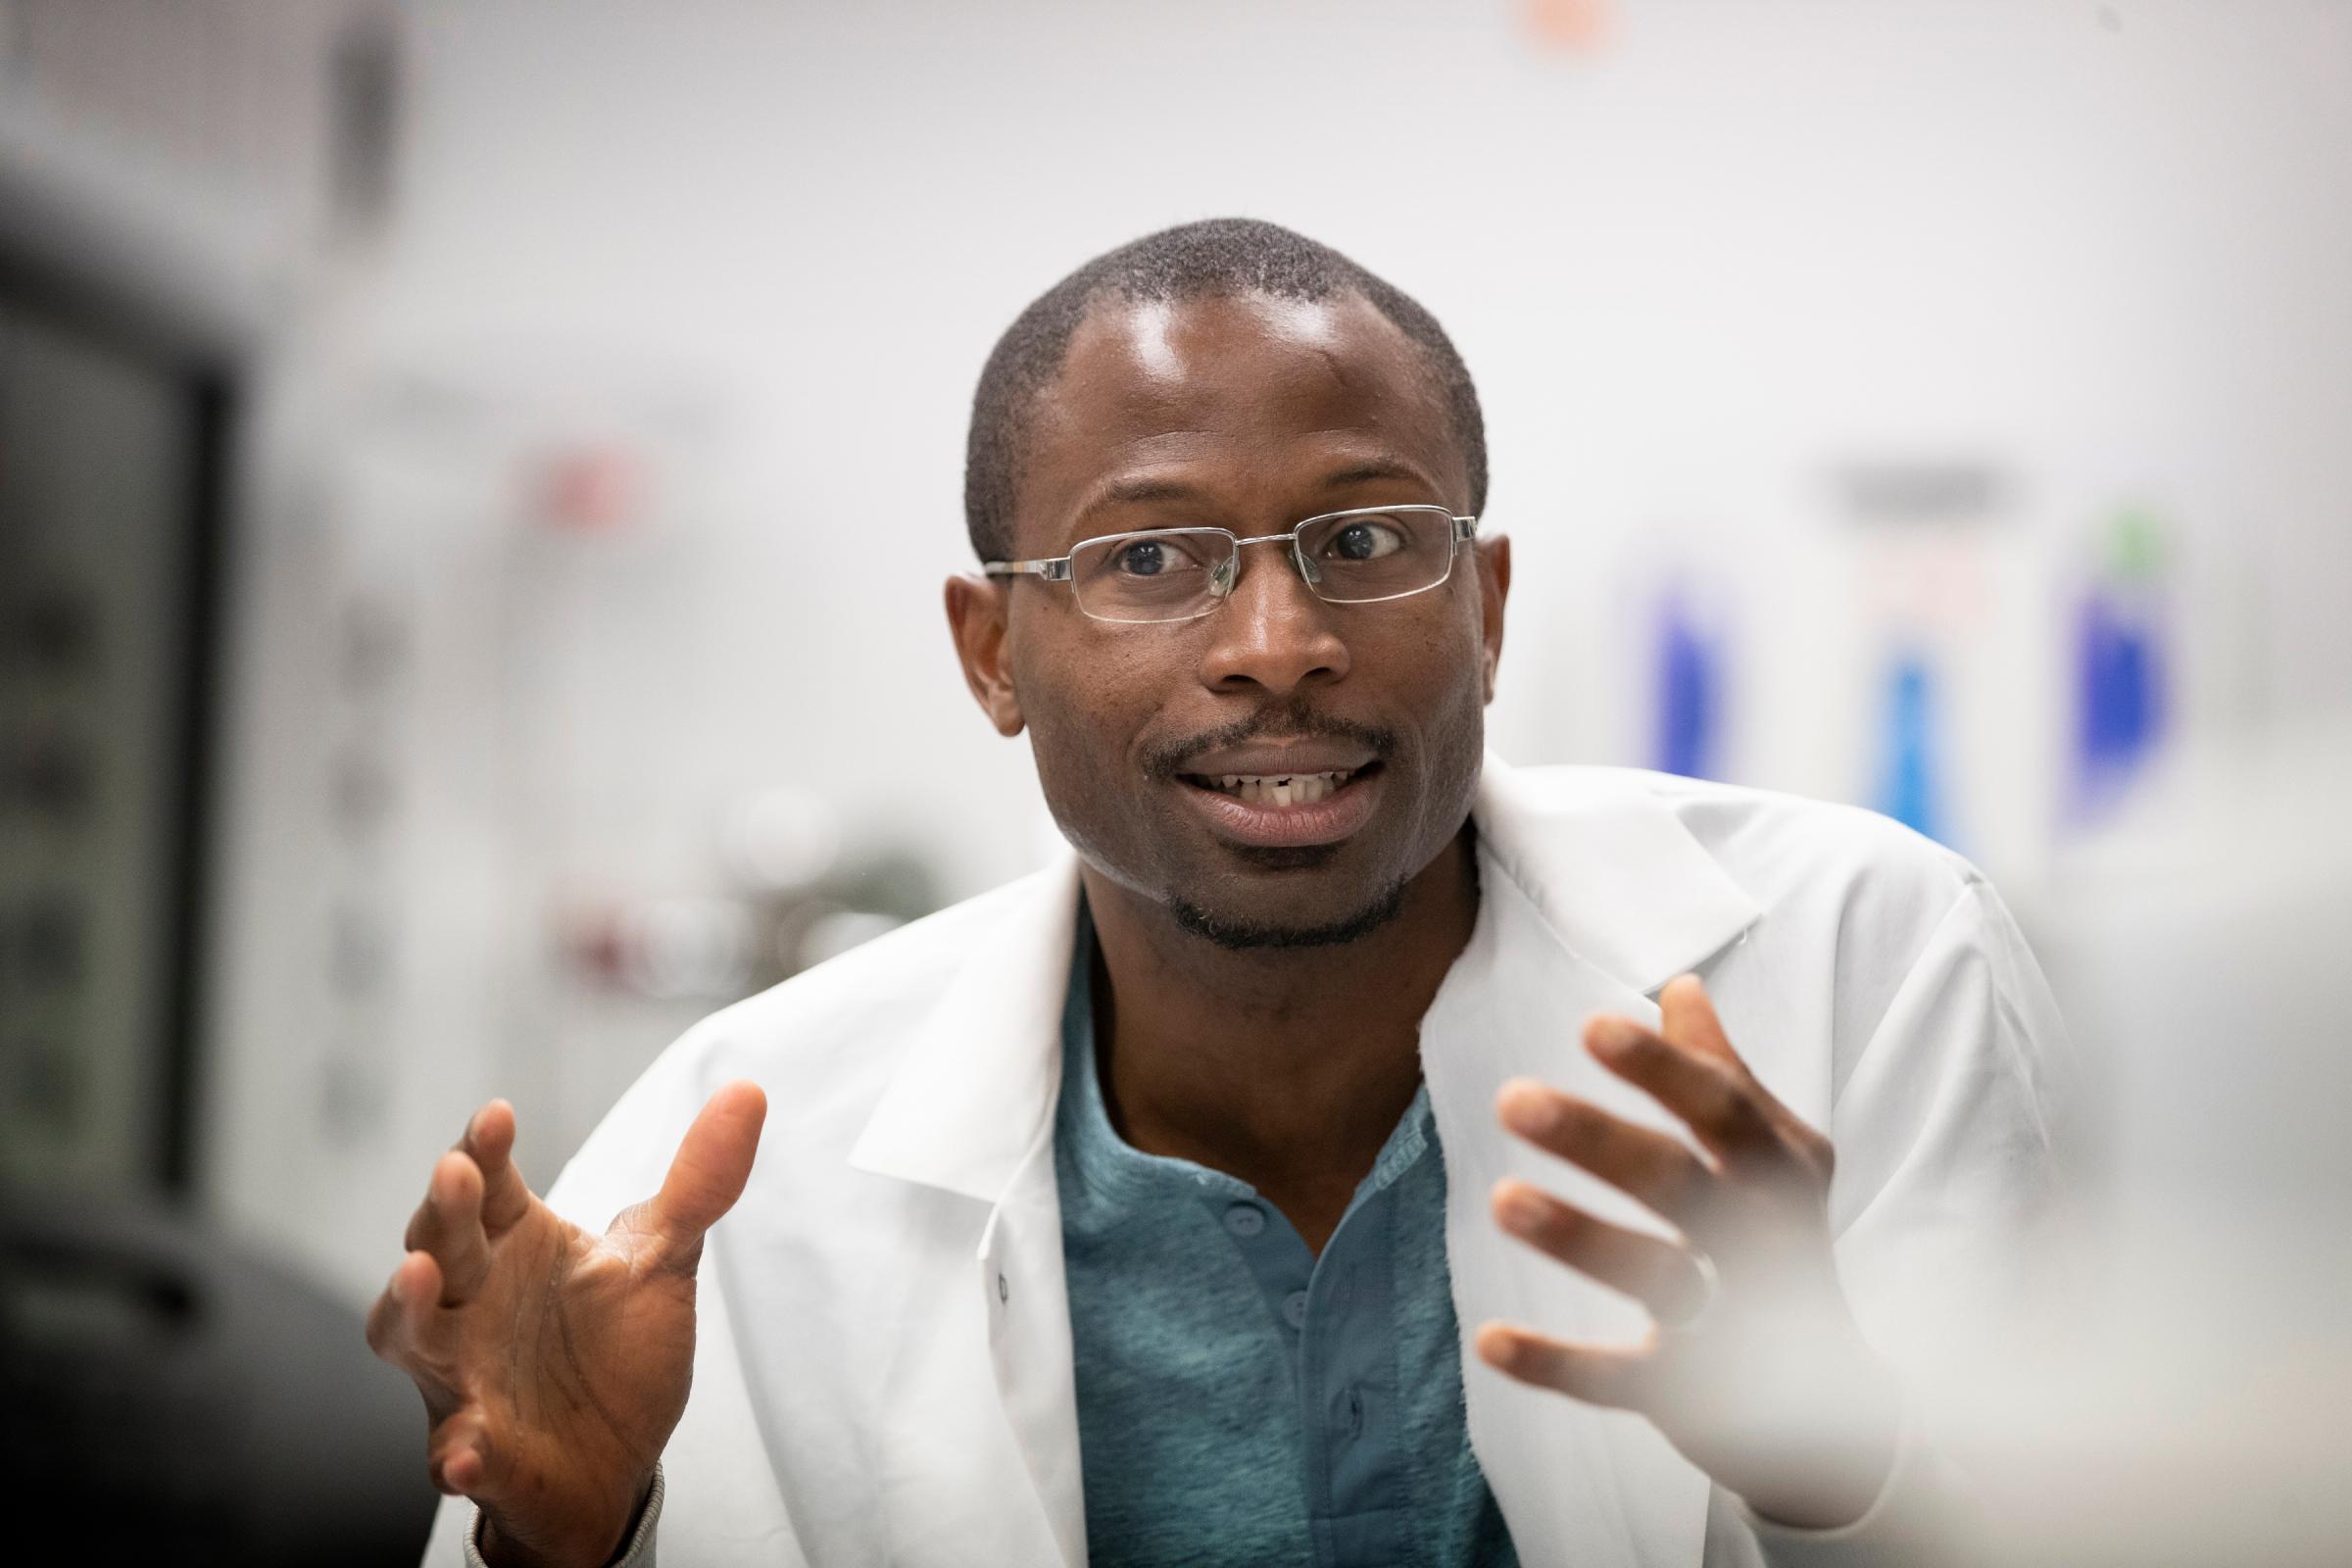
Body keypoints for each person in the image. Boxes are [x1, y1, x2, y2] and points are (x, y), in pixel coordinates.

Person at [370, 220, 2073, 1568]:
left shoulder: (1859, 964)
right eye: (1149, 559)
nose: (1277, 649)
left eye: (1363, 539)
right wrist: (575, 1555)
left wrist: (1841, 1471)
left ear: (1485, 606)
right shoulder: (738, 1151)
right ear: (992, 657)